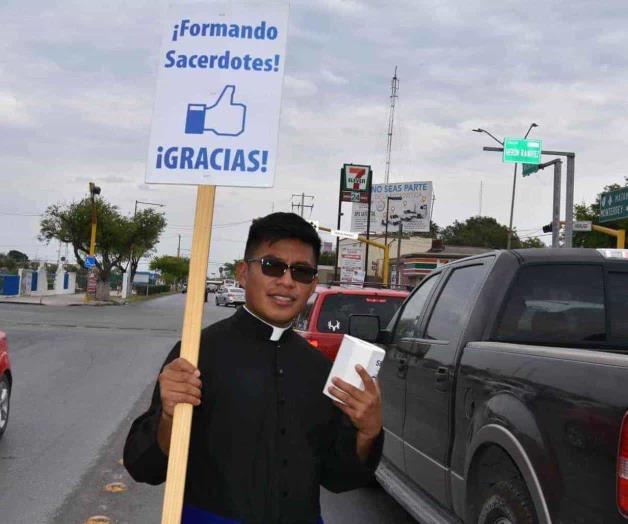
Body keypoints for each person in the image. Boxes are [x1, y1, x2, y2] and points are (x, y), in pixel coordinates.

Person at [123, 212, 383, 524]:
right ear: (244, 273)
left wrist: (367, 431)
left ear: (313, 285)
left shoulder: (318, 368)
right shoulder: (196, 354)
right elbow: (144, 468)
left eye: (301, 272)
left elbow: (338, 479)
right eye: (273, 266)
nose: (287, 281)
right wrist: (168, 416)